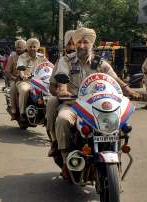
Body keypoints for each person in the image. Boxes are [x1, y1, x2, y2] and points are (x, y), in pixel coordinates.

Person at [52, 28, 140, 178]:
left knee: (118, 123)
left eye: (85, 42)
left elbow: (115, 79)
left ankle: (114, 155)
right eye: (79, 41)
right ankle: (67, 159)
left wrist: (129, 91)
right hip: (74, 104)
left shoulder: (100, 62)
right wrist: (63, 89)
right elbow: (61, 79)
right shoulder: (65, 61)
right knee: (63, 119)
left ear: (91, 44)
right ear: (74, 43)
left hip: (96, 106)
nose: (81, 45)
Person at [47, 30, 75, 157]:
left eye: (76, 43)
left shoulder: (96, 61)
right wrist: (60, 92)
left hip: (89, 102)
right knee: (52, 102)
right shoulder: (62, 62)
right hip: (68, 101)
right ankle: (54, 140)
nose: (73, 47)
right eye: (69, 44)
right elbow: (52, 86)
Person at [16, 38, 54, 121]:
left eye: (34, 47)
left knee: (51, 90)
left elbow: (48, 65)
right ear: (27, 47)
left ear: (37, 48)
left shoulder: (42, 56)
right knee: (24, 90)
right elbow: (20, 68)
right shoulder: (22, 57)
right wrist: (23, 75)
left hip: (39, 81)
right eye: (30, 47)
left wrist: (53, 73)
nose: (32, 48)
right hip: (26, 81)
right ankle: (22, 113)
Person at [5, 39, 26, 120]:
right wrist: (14, 78)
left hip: (29, 80)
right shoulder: (12, 57)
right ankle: (14, 111)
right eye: (17, 47)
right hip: (15, 79)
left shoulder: (29, 56)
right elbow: (7, 71)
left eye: (20, 48)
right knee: (13, 89)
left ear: (25, 48)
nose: (18, 49)